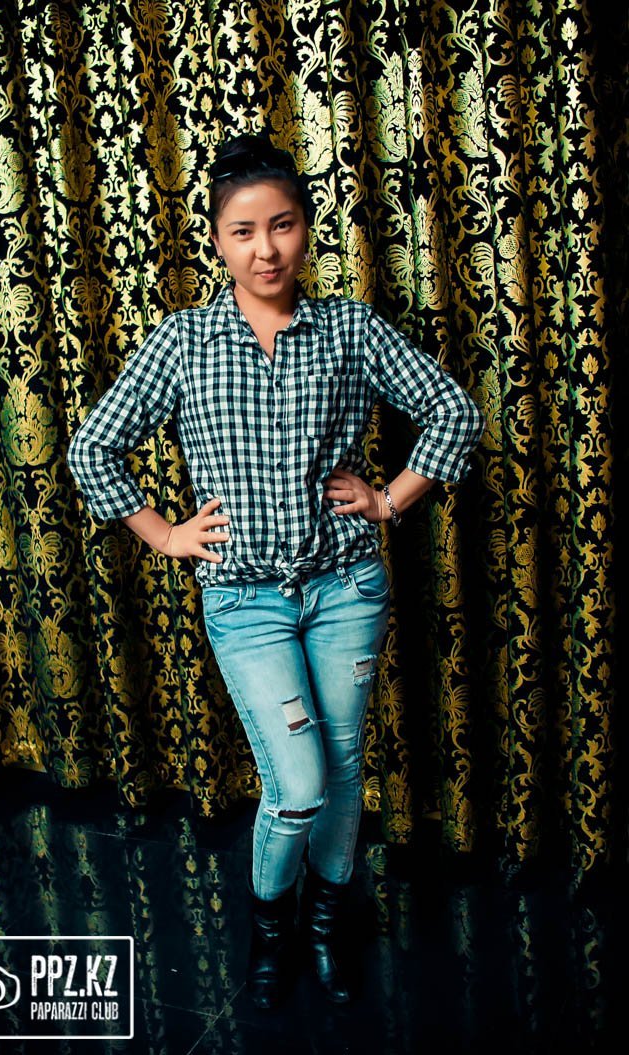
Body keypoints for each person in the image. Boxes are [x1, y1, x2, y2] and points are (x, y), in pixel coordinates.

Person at [67, 132, 485, 1010]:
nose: (266, 249)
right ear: (218, 241)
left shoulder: (349, 329)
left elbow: (452, 410)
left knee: (341, 768)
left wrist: (389, 498)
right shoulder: (184, 342)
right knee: (295, 782)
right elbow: (91, 446)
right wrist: (164, 534)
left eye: (283, 225)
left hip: (346, 590)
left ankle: (326, 926)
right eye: (244, 231)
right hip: (245, 601)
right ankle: (271, 930)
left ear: (304, 229)